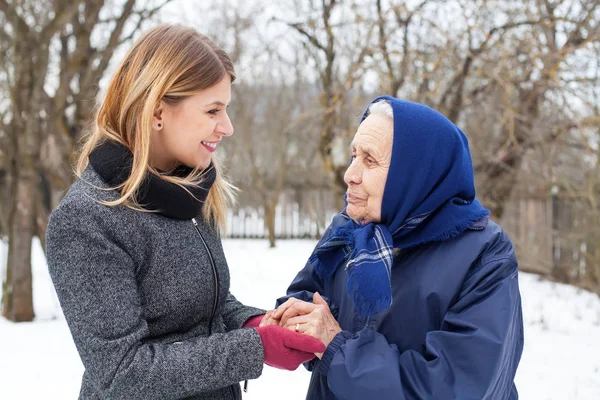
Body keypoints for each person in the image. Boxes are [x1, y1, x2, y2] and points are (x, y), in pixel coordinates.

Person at [45, 24, 324, 400]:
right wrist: (255, 347)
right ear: (158, 110)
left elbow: (204, 307)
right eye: (213, 110)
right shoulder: (87, 221)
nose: (227, 126)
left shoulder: (188, 193)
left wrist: (255, 322)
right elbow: (123, 373)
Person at [263, 96, 524, 399]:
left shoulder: (484, 255)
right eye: (353, 156)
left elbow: (458, 386)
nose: (350, 174)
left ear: (415, 174)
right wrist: (292, 320)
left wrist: (337, 347)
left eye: (369, 160)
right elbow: (310, 294)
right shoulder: (350, 228)